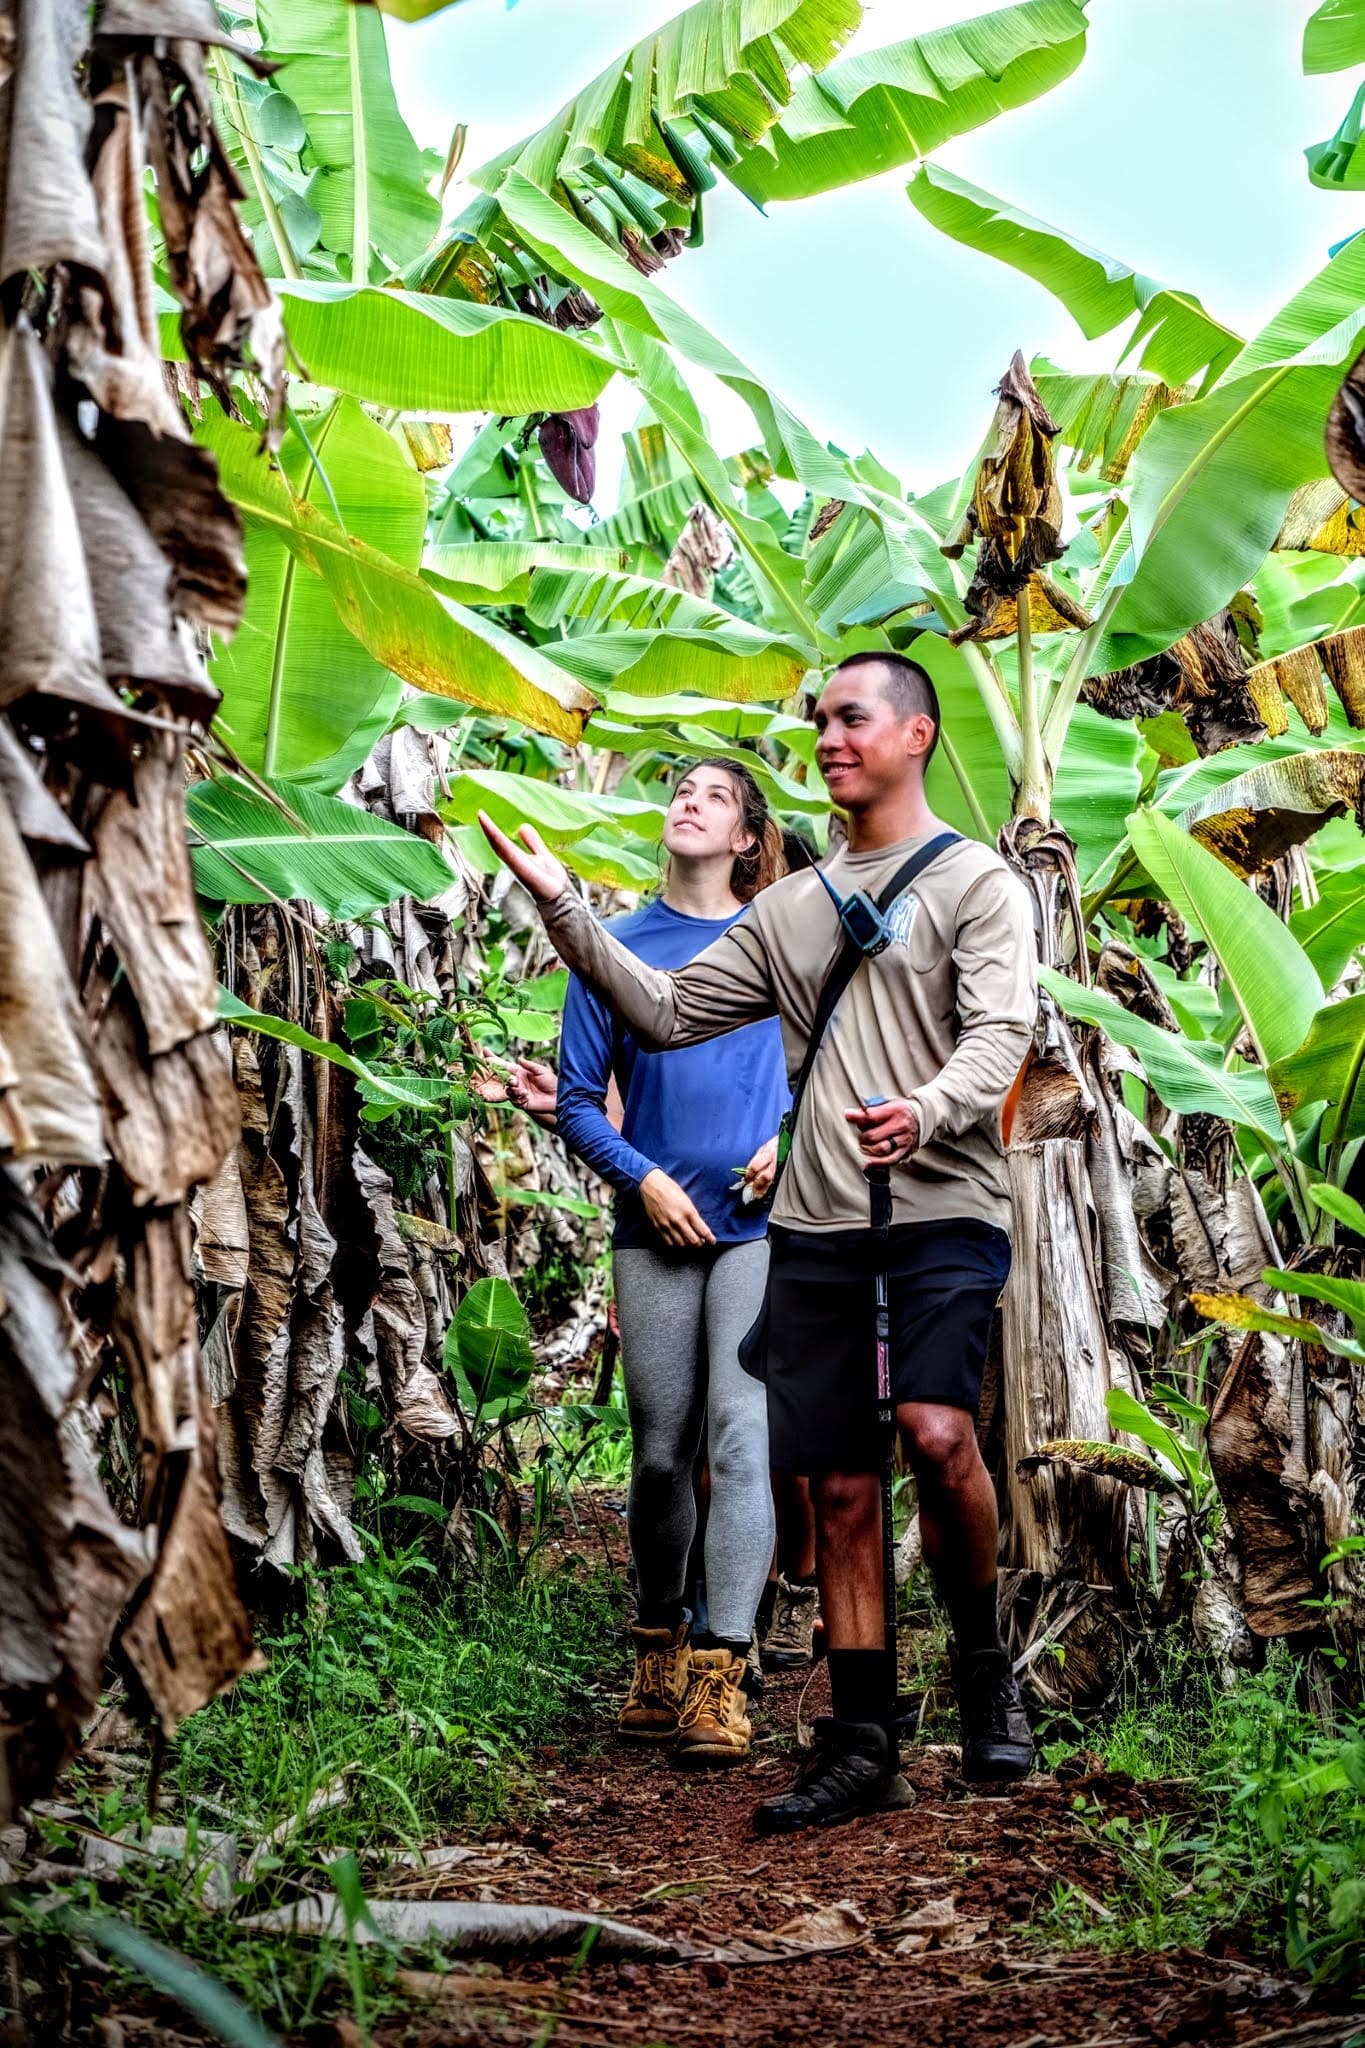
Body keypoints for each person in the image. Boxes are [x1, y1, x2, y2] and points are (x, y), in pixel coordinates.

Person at [479, 652, 1038, 1832]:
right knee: (836, 1483)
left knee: (938, 1435)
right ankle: (861, 1737)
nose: (829, 736)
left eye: (852, 716)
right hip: (821, 1221)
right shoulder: (788, 908)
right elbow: (670, 1010)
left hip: (942, 1204)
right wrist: (564, 911)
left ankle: (985, 1667)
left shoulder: (978, 882)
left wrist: (927, 1108)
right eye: (818, 719)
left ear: (920, 734)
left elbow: (1002, 1034)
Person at [548, 757, 792, 1767]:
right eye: (681, 789)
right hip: (655, 1225)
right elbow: (573, 1097)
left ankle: (722, 1677)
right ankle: (658, 1642)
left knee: (740, 1438)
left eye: (716, 795)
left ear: (745, 836)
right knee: (659, 1449)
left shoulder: (781, 938)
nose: (689, 801)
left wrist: (792, 1132)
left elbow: (832, 1060)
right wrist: (643, 1178)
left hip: (761, 1225)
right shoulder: (614, 946)